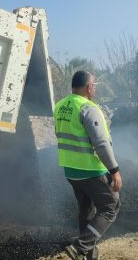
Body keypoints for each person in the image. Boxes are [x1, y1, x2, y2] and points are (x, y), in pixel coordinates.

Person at [54, 71, 122, 260]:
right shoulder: (88, 108)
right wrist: (114, 170)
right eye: (94, 85)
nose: (95, 89)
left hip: (70, 170)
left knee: (86, 210)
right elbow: (101, 143)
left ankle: (89, 255)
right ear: (89, 87)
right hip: (91, 170)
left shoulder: (60, 106)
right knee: (110, 207)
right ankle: (79, 247)